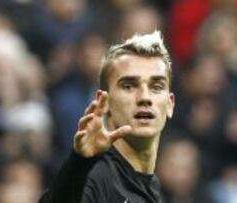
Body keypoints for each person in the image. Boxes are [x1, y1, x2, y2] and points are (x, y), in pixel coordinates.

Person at [39, 30, 175, 203]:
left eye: (156, 86)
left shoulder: (151, 189)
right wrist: (80, 161)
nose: (144, 98)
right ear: (105, 102)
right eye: (128, 86)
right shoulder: (95, 178)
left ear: (170, 104)